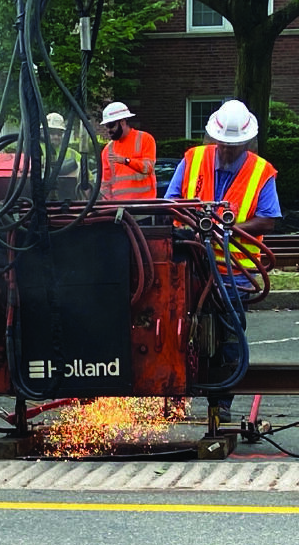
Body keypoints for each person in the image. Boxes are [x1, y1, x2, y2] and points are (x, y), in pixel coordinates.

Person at [165, 99, 282, 425]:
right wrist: (190, 223)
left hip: (235, 272)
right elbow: (170, 202)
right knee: (176, 331)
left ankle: (222, 402)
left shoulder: (261, 172)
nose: (227, 151)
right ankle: (175, 399)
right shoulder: (193, 160)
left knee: (228, 336)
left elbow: (268, 220)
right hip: (191, 265)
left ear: (246, 143)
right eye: (223, 145)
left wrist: (225, 228)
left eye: (234, 146)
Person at [98, 101, 156, 200]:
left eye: (111, 125)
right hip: (118, 209)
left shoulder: (145, 139)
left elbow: (148, 168)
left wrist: (126, 161)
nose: (108, 130)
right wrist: (108, 206)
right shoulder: (107, 150)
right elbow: (105, 184)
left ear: (122, 122)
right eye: (106, 126)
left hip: (144, 207)